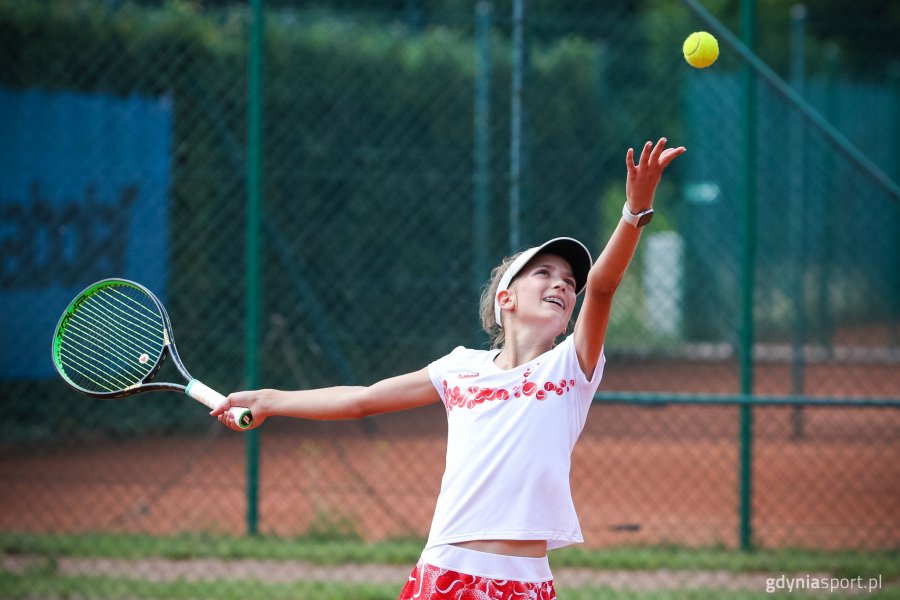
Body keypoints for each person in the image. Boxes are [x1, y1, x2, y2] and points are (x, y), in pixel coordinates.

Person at [213, 137, 685, 599]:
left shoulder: (570, 368)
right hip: (444, 575)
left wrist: (633, 213)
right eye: (543, 273)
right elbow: (362, 399)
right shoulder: (460, 368)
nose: (562, 284)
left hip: (524, 583)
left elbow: (602, 287)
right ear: (507, 298)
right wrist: (269, 401)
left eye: (568, 281)